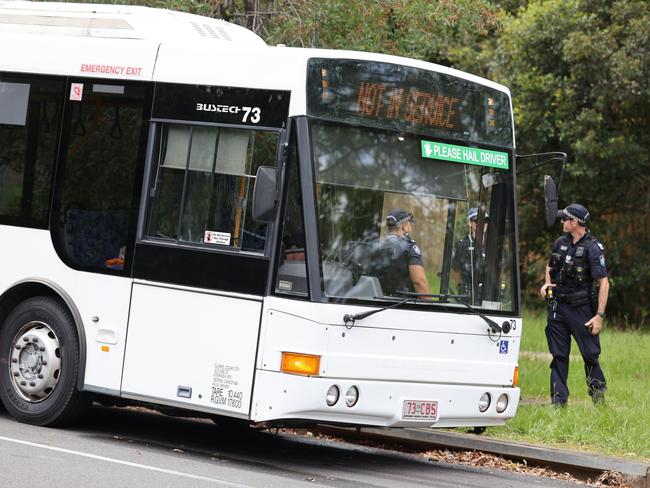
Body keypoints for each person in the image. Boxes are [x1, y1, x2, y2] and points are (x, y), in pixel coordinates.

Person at [540, 203, 609, 406]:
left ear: (575, 222)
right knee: (558, 355)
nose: (561, 222)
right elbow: (549, 266)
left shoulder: (593, 248)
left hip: (582, 309)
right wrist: (546, 283)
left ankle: (598, 398)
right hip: (558, 308)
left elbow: (603, 282)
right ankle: (558, 402)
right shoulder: (560, 242)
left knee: (590, 355)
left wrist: (599, 316)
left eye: (565, 219)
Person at [371, 208, 430, 296]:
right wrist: (429, 306)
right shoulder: (409, 248)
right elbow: (419, 282)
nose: (411, 227)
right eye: (410, 223)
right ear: (404, 225)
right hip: (402, 305)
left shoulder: (377, 246)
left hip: (378, 301)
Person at [451, 207, 486, 299]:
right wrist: (461, 287)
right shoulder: (462, 245)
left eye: (485, 221)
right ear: (469, 222)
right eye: (476, 220)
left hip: (487, 294)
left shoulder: (493, 245)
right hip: (467, 296)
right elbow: (456, 269)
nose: (481, 224)